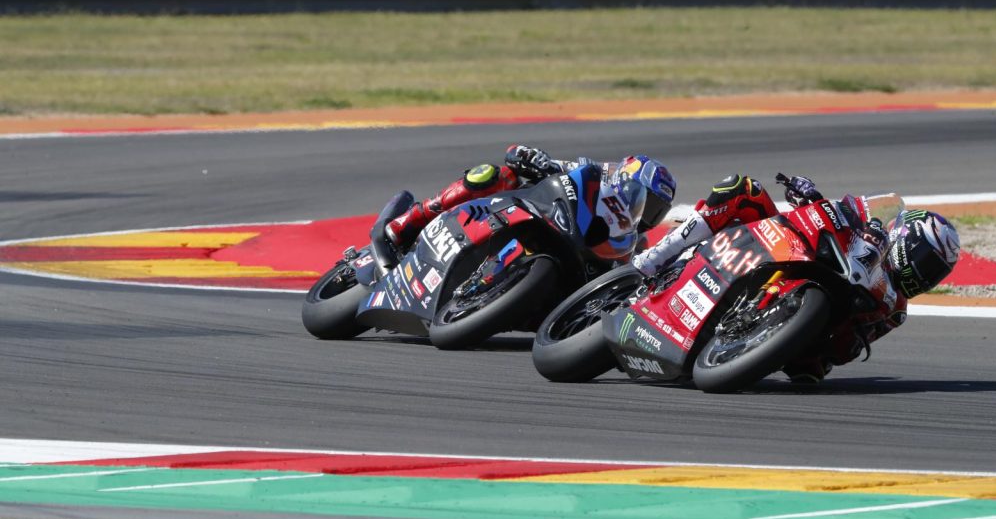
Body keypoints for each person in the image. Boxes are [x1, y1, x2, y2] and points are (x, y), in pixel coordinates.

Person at [631, 173, 960, 383]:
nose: (925, 274)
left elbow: (848, 350)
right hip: (789, 253)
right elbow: (831, 223)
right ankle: (653, 259)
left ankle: (745, 336)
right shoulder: (868, 230)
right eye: (926, 261)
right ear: (906, 239)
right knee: (742, 189)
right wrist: (810, 198)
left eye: (935, 272)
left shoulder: (896, 308)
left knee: (811, 373)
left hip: (808, 334)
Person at [385, 145, 677, 258]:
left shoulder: (633, 243)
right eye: (645, 200)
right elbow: (518, 152)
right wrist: (534, 158)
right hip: (525, 213)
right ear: (625, 180)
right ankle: (411, 220)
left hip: (564, 267)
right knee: (493, 175)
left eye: (655, 210)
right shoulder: (594, 174)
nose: (646, 213)